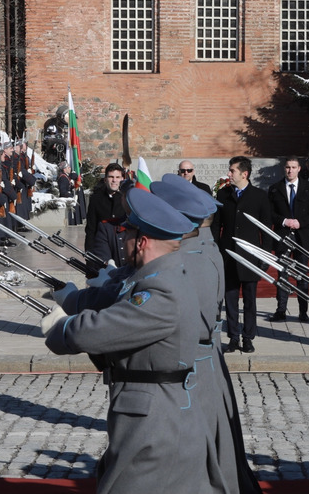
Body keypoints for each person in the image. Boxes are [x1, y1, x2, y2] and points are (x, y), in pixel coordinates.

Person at [41, 187, 211, 494]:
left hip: (155, 424)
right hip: (148, 415)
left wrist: (64, 328)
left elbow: (106, 327)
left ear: (142, 242)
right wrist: (76, 301)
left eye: (128, 233)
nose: (123, 240)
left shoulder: (162, 291)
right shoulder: (156, 277)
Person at [151, 174, 264, 494]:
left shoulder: (190, 256)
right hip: (204, 362)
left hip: (194, 369)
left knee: (205, 462)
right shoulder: (201, 246)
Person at [211, 156, 273, 354]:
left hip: (250, 255)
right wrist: (216, 250)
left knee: (249, 300)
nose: (229, 174)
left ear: (244, 174)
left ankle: (248, 337)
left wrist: (264, 256)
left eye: (232, 171)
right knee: (230, 299)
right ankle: (233, 337)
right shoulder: (223, 195)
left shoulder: (259, 196)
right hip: (228, 255)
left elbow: (266, 229)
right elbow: (215, 225)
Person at [268, 156, 309, 323]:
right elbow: (269, 212)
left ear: (299, 169)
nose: (290, 170)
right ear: (284, 169)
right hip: (283, 236)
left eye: (293, 167)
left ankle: (303, 312)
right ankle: (281, 310)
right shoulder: (275, 188)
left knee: (302, 275)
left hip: (302, 237)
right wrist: (284, 221)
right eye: (287, 167)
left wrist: (301, 222)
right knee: (282, 274)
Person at [85, 163, 129, 266]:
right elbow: (91, 230)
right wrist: (90, 257)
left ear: (122, 179)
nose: (114, 180)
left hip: (122, 250)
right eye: (111, 177)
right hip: (102, 251)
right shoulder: (96, 199)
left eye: (117, 177)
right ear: (105, 179)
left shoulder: (127, 199)